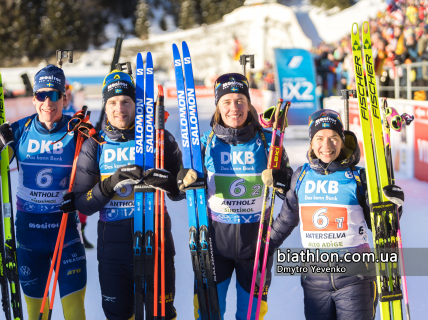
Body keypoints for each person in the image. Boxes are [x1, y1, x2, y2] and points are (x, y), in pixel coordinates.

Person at [61, 69, 183, 320]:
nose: (120, 108)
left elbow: (180, 192)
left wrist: (168, 182)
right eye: (113, 102)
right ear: (105, 107)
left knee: (161, 315)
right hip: (113, 254)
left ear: (136, 104)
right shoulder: (95, 145)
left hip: (156, 245)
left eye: (126, 101)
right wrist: (111, 183)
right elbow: (83, 204)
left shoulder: (159, 139)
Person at [267, 109, 405, 320]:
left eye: (334, 138)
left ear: (342, 141)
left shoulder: (358, 177)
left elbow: (380, 226)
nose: (327, 145)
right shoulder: (301, 175)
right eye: (320, 138)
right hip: (314, 281)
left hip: (355, 279)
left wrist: (393, 206)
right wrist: (266, 245)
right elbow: (287, 217)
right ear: (311, 143)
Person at [0, 65, 87, 320]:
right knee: (37, 315)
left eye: (55, 94)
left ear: (65, 97)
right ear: (34, 98)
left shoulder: (77, 132)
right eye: (41, 95)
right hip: (29, 239)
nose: (48, 102)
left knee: (74, 314)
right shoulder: (19, 131)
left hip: (66, 236)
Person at [179, 73, 293, 320]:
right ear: (218, 106)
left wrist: (281, 181)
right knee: (208, 314)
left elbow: (288, 189)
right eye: (227, 101)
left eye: (240, 100)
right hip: (212, 248)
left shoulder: (267, 142)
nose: (234, 108)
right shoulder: (204, 143)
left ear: (249, 103)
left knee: (250, 316)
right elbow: (181, 191)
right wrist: (182, 180)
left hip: (256, 248)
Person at [62, 79, 94, 249]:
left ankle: (80, 234)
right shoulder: (52, 110)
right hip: (61, 162)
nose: (67, 92)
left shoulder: (75, 111)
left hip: (76, 162)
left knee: (82, 199)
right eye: (64, 89)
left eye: (69, 89)